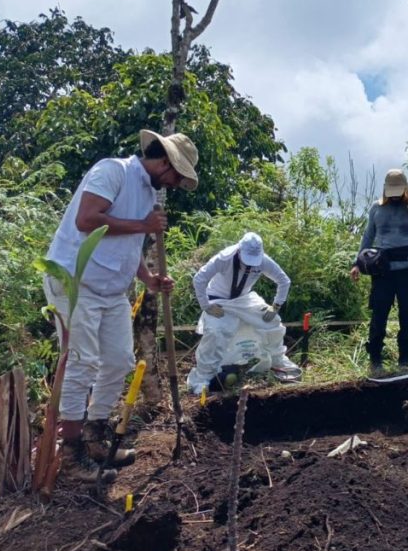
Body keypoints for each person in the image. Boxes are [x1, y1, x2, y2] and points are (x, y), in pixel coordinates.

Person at [44, 129, 198, 482]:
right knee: (82, 362)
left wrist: (148, 278)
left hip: (112, 289)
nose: (176, 183)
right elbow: (87, 220)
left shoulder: (149, 192)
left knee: (120, 360)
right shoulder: (111, 171)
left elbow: (129, 245)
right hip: (75, 281)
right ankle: (70, 454)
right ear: (164, 162)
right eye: (177, 175)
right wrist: (142, 224)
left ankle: (95, 436)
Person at [186, 232, 295, 395]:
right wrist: (206, 305)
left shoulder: (263, 260)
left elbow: (284, 280)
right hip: (218, 300)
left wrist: (276, 306)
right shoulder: (224, 258)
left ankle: (278, 360)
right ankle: (203, 377)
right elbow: (199, 278)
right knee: (215, 332)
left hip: (244, 299)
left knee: (271, 322)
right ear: (239, 250)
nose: (250, 265)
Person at [350, 169, 408, 376]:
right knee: (379, 316)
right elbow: (368, 237)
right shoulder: (377, 209)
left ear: (406, 188)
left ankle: (405, 360)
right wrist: (356, 263)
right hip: (382, 271)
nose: (395, 195)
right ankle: (375, 360)